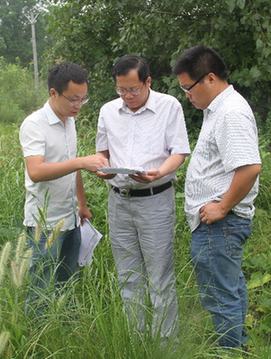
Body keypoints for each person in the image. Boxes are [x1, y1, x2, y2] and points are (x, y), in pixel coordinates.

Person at [172, 45, 262, 349]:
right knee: (231, 290)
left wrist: (223, 207)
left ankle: (228, 353)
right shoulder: (218, 110)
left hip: (220, 225)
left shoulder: (230, 112)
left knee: (220, 297)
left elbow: (249, 168)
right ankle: (239, 348)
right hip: (218, 225)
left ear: (210, 78)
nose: (187, 94)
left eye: (188, 87)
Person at [95, 54, 190, 339]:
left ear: (147, 82)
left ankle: (165, 345)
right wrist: (104, 169)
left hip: (155, 199)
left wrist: (159, 172)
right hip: (119, 201)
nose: (127, 96)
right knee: (128, 275)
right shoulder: (108, 111)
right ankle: (136, 341)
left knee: (160, 277)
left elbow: (180, 152)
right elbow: (103, 152)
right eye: (121, 90)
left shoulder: (168, 106)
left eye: (133, 89)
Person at [19, 62, 109, 317]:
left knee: (67, 282)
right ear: (53, 93)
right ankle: (37, 336)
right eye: (73, 99)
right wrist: (81, 161)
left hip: (70, 217)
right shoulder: (34, 124)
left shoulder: (69, 121)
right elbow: (36, 170)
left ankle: (65, 331)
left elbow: (71, 165)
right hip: (44, 221)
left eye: (83, 99)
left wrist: (82, 204)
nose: (78, 105)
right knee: (41, 282)